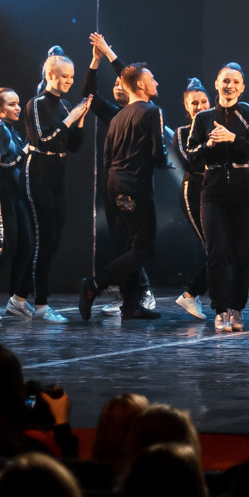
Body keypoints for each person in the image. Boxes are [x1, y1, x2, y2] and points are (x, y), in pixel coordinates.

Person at [77, 33, 166, 321]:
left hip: (115, 185)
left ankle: (130, 305)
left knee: (129, 248)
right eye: (116, 83)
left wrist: (110, 56)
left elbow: (131, 76)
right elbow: (93, 90)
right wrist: (98, 59)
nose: (119, 85)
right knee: (139, 249)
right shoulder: (122, 113)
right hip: (129, 187)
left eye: (121, 83)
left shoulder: (120, 115)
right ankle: (96, 285)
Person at [190, 63, 249, 332]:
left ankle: (237, 308)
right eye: (225, 81)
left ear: (242, 88)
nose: (229, 86)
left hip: (243, 190)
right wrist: (209, 144)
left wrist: (233, 138)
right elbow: (191, 155)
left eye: (235, 82)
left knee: (241, 255)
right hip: (213, 190)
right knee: (217, 253)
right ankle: (220, 311)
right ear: (217, 84)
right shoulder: (203, 118)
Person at [23, 48, 92, 322]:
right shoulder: (36, 104)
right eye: (65, 77)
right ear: (51, 75)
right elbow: (44, 141)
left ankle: (18, 297)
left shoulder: (64, 106)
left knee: (52, 242)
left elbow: (72, 145)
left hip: (57, 176)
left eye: (72, 77)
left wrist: (80, 120)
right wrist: (70, 119)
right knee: (44, 240)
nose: (70, 82)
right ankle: (40, 305)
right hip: (39, 172)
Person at [0, 87, 43, 319]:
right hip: (1, 190)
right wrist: (25, 152)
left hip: (15, 193)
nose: (18, 108)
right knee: (6, 249)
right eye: (11, 104)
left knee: (26, 247)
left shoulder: (11, 131)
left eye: (18, 103)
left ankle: (16, 300)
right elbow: (0, 164)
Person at [169, 80, 214, 321]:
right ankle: (193, 294)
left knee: (224, 248)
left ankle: (194, 294)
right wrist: (209, 144)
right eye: (194, 103)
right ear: (187, 106)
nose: (199, 106)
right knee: (214, 248)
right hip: (194, 190)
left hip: (216, 190)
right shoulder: (182, 132)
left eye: (203, 101)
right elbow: (189, 161)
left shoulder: (219, 127)